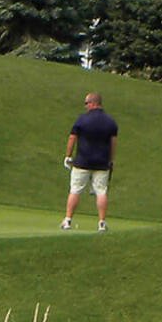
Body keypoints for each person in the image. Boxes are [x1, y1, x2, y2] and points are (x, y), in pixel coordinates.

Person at [62, 91, 116, 231]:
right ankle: (101, 222)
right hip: (102, 163)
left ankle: (68, 220)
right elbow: (113, 144)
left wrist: (68, 155)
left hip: (82, 162)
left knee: (75, 189)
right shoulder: (110, 121)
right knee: (101, 192)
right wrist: (111, 160)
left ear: (93, 103)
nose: (85, 106)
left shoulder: (81, 119)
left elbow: (72, 137)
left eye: (86, 103)